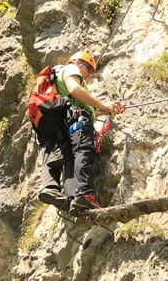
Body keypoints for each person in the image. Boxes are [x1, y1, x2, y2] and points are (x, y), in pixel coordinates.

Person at [28, 51, 126, 213]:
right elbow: (75, 90)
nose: (88, 76)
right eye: (89, 70)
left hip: (53, 121)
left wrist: (106, 109)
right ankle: (84, 195)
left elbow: (79, 102)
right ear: (80, 63)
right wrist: (103, 106)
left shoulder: (56, 78)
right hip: (75, 119)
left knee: (68, 157)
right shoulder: (72, 69)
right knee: (84, 150)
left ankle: (63, 194)